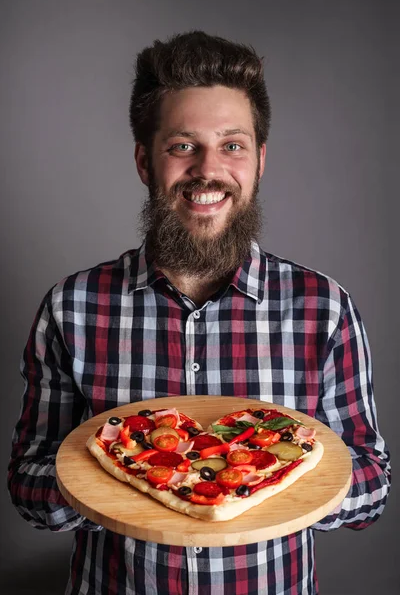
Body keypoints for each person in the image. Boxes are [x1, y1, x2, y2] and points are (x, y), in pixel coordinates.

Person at [8, 31, 390, 595]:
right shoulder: (72, 307)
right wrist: (132, 468)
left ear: (260, 161)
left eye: (232, 145)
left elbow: (372, 489)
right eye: (182, 145)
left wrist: (259, 468)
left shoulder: (324, 309)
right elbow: (27, 486)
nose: (208, 171)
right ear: (145, 160)